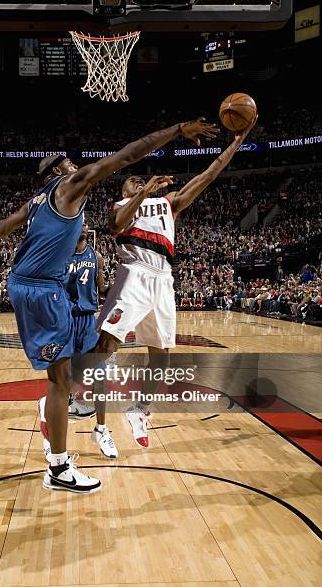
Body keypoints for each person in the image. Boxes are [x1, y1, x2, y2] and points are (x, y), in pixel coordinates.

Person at [0, 117, 218, 494]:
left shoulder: (36, 203)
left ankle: (76, 430)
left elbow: (6, 223)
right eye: (68, 163)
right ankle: (60, 465)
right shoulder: (68, 186)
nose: (76, 167)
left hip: (41, 289)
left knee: (71, 375)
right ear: (57, 172)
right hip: (42, 290)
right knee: (62, 382)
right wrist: (176, 131)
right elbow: (127, 155)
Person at [93, 117, 257, 448]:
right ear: (125, 190)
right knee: (106, 347)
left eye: (142, 180)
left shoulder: (170, 204)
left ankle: (139, 410)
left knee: (162, 357)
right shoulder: (122, 206)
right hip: (134, 274)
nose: (138, 182)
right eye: (133, 181)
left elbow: (208, 174)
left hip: (163, 280)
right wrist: (145, 192)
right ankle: (94, 418)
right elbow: (117, 225)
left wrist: (238, 141)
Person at [38, 222, 118, 460]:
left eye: (86, 224)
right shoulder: (58, 256)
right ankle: (51, 434)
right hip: (63, 321)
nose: (84, 226)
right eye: (79, 223)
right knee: (62, 383)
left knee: (100, 378)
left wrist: (122, 290)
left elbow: (102, 290)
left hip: (87, 322)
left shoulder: (97, 257)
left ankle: (101, 430)